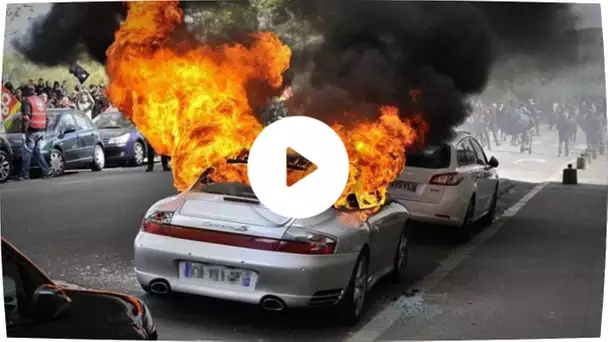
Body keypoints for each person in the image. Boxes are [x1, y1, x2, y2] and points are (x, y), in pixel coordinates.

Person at [17, 85, 53, 180]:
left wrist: (23, 132)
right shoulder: (41, 101)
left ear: (26, 92)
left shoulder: (26, 101)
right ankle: (47, 171)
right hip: (40, 130)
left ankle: (25, 174)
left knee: (27, 153)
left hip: (32, 130)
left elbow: (26, 118)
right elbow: (47, 117)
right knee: (37, 152)